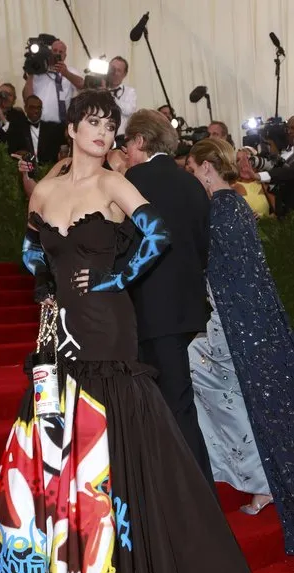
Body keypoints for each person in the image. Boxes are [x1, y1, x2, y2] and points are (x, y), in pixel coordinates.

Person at [0, 89, 249, 573]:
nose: (103, 132)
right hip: (57, 325)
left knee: (112, 424)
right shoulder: (44, 192)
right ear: (72, 130)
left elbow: (158, 234)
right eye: (93, 122)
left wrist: (116, 276)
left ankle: (123, 558)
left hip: (107, 321)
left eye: (110, 124)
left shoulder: (114, 182)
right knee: (57, 426)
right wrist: (49, 285)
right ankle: (62, 559)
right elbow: (31, 249)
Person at [186, 138, 294, 552]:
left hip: (235, 324)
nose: (193, 178)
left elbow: (229, 274)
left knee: (244, 396)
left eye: (194, 170)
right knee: (243, 398)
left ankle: (259, 480)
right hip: (240, 320)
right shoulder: (236, 204)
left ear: (208, 168)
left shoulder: (221, 208)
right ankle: (255, 478)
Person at [122, 109, 214, 490]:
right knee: (175, 399)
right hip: (186, 310)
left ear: (141, 141)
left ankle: (193, 493)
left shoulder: (134, 180)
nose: (125, 151)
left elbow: (127, 245)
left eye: (126, 143)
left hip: (150, 310)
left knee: (170, 404)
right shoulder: (190, 182)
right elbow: (203, 246)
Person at [23, 39, 83, 124]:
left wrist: (66, 73)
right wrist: (31, 72)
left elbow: (83, 85)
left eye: (61, 52)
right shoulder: (38, 72)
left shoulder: (70, 71)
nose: (57, 53)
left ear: (65, 56)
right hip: (40, 123)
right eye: (55, 50)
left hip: (62, 124)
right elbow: (27, 97)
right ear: (49, 52)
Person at [7, 94, 65, 164]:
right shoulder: (17, 128)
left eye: (39, 108)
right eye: (32, 107)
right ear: (25, 108)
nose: (36, 111)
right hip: (24, 169)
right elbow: (11, 151)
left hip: (47, 170)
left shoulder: (52, 129)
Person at [233, 147, 272, 218]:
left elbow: (279, 214)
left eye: (247, 158)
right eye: (238, 160)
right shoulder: (231, 186)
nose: (242, 162)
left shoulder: (265, 183)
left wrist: (263, 219)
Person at [107, 56, 136, 137]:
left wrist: (109, 95)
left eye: (119, 70)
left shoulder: (130, 91)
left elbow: (129, 110)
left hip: (121, 137)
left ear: (125, 74)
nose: (114, 73)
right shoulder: (99, 90)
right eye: (112, 69)